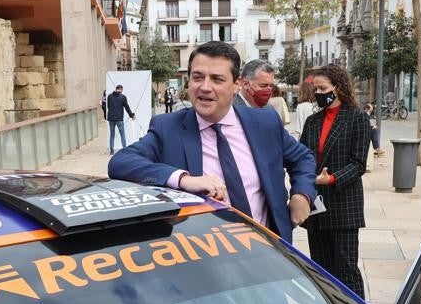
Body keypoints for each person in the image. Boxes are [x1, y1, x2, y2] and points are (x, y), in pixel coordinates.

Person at [108, 41, 316, 243]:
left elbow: (303, 158)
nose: (205, 87)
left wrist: (302, 194)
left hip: (268, 251)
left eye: (217, 79)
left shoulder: (265, 122)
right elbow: (121, 162)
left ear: (237, 85)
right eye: (197, 77)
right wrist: (184, 180)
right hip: (206, 261)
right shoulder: (168, 128)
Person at [298, 65, 370, 295]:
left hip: (343, 205)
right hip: (316, 207)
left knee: (347, 270)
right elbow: (301, 156)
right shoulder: (312, 121)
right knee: (321, 271)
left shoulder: (357, 118)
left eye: (323, 88)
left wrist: (331, 179)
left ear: (337, 88)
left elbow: (358, 164)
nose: (318, 93)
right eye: (315, 88)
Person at [106, 84, 136, 152]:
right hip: (119, 119)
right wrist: (131, 115)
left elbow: (108, 107)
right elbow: (126, 107)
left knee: (112, 134)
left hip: (111, 118)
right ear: (121, 89)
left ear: (116, 88)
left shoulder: (109, 96)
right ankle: (124, 149)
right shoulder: (123, 97)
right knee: (122, 135)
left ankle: (111, 150)